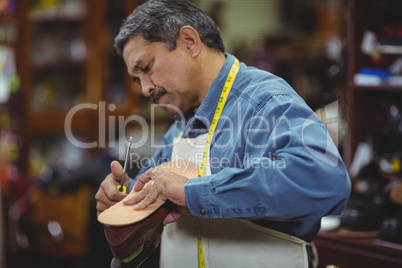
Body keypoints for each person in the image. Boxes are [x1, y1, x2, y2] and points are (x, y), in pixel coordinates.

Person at [95, 0, 351, 267]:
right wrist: (123, 198)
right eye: (137, 80)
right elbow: (149, 188)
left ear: (189, 42)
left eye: (146, 68)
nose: (145, 89)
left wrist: (195, 194)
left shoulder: (265, 102)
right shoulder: (181, 128)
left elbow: (325, 181)